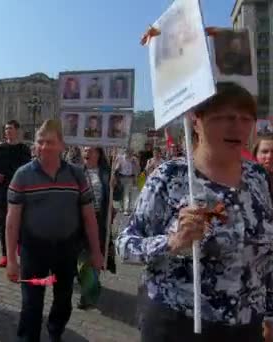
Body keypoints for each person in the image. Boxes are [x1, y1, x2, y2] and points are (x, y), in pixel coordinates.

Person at [116, 82, 273, 342]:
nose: (238, 126)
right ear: (196, 121)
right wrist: (173, 242)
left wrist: (269, 313)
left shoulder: (257, 177)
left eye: (246, 118)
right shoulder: (171, 176)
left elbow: (267, 256)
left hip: (245, 326)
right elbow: (125, 245)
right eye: (225, 117)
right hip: (180, 322)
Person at [5, 120, 103, 341]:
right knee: (31, 304)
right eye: (40, 142)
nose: (43, 147)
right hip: (33, 251)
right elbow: (12, 221)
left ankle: (55, 333)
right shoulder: (23, 175)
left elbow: (89, 218)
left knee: (63, 301)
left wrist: (96, 252)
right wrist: (11, 258)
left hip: (66, 251)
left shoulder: (77, 175)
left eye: (50, 142)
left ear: (62, 145)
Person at [0, 120, 31, 267]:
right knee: (3, 223)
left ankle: (20, 245)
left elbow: (27, 169)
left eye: (11, 128)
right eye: (6, 129)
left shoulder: (24, 149)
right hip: (3, 191)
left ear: (17, 130)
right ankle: (6, 254)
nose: (7, 131)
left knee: (21, 222)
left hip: (20, 191)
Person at [78, 146, 115, 309]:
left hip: (99, 220)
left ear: (98, 154)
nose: (87, 152)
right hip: (79, 221)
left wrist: (116, 185)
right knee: (81, 259)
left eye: (91, 150)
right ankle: (89, 285)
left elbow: (117, 195)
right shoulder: (77, 172)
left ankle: (88, 294)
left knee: (95, 255)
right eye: (85, 149)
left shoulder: (107, 173)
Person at [114, 149, 138, 215]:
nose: (131, 154)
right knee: (121, 193)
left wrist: (135, 178)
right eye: (129, 152)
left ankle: (126, 209)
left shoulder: (133, 159)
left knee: (127, 194)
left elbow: (137, 169)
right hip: (121, 177)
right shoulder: (121, 158)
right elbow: (116, 168)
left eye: (131, 152)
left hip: (130, 177)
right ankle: (122, 207)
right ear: (126, 152)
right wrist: (116, 167)